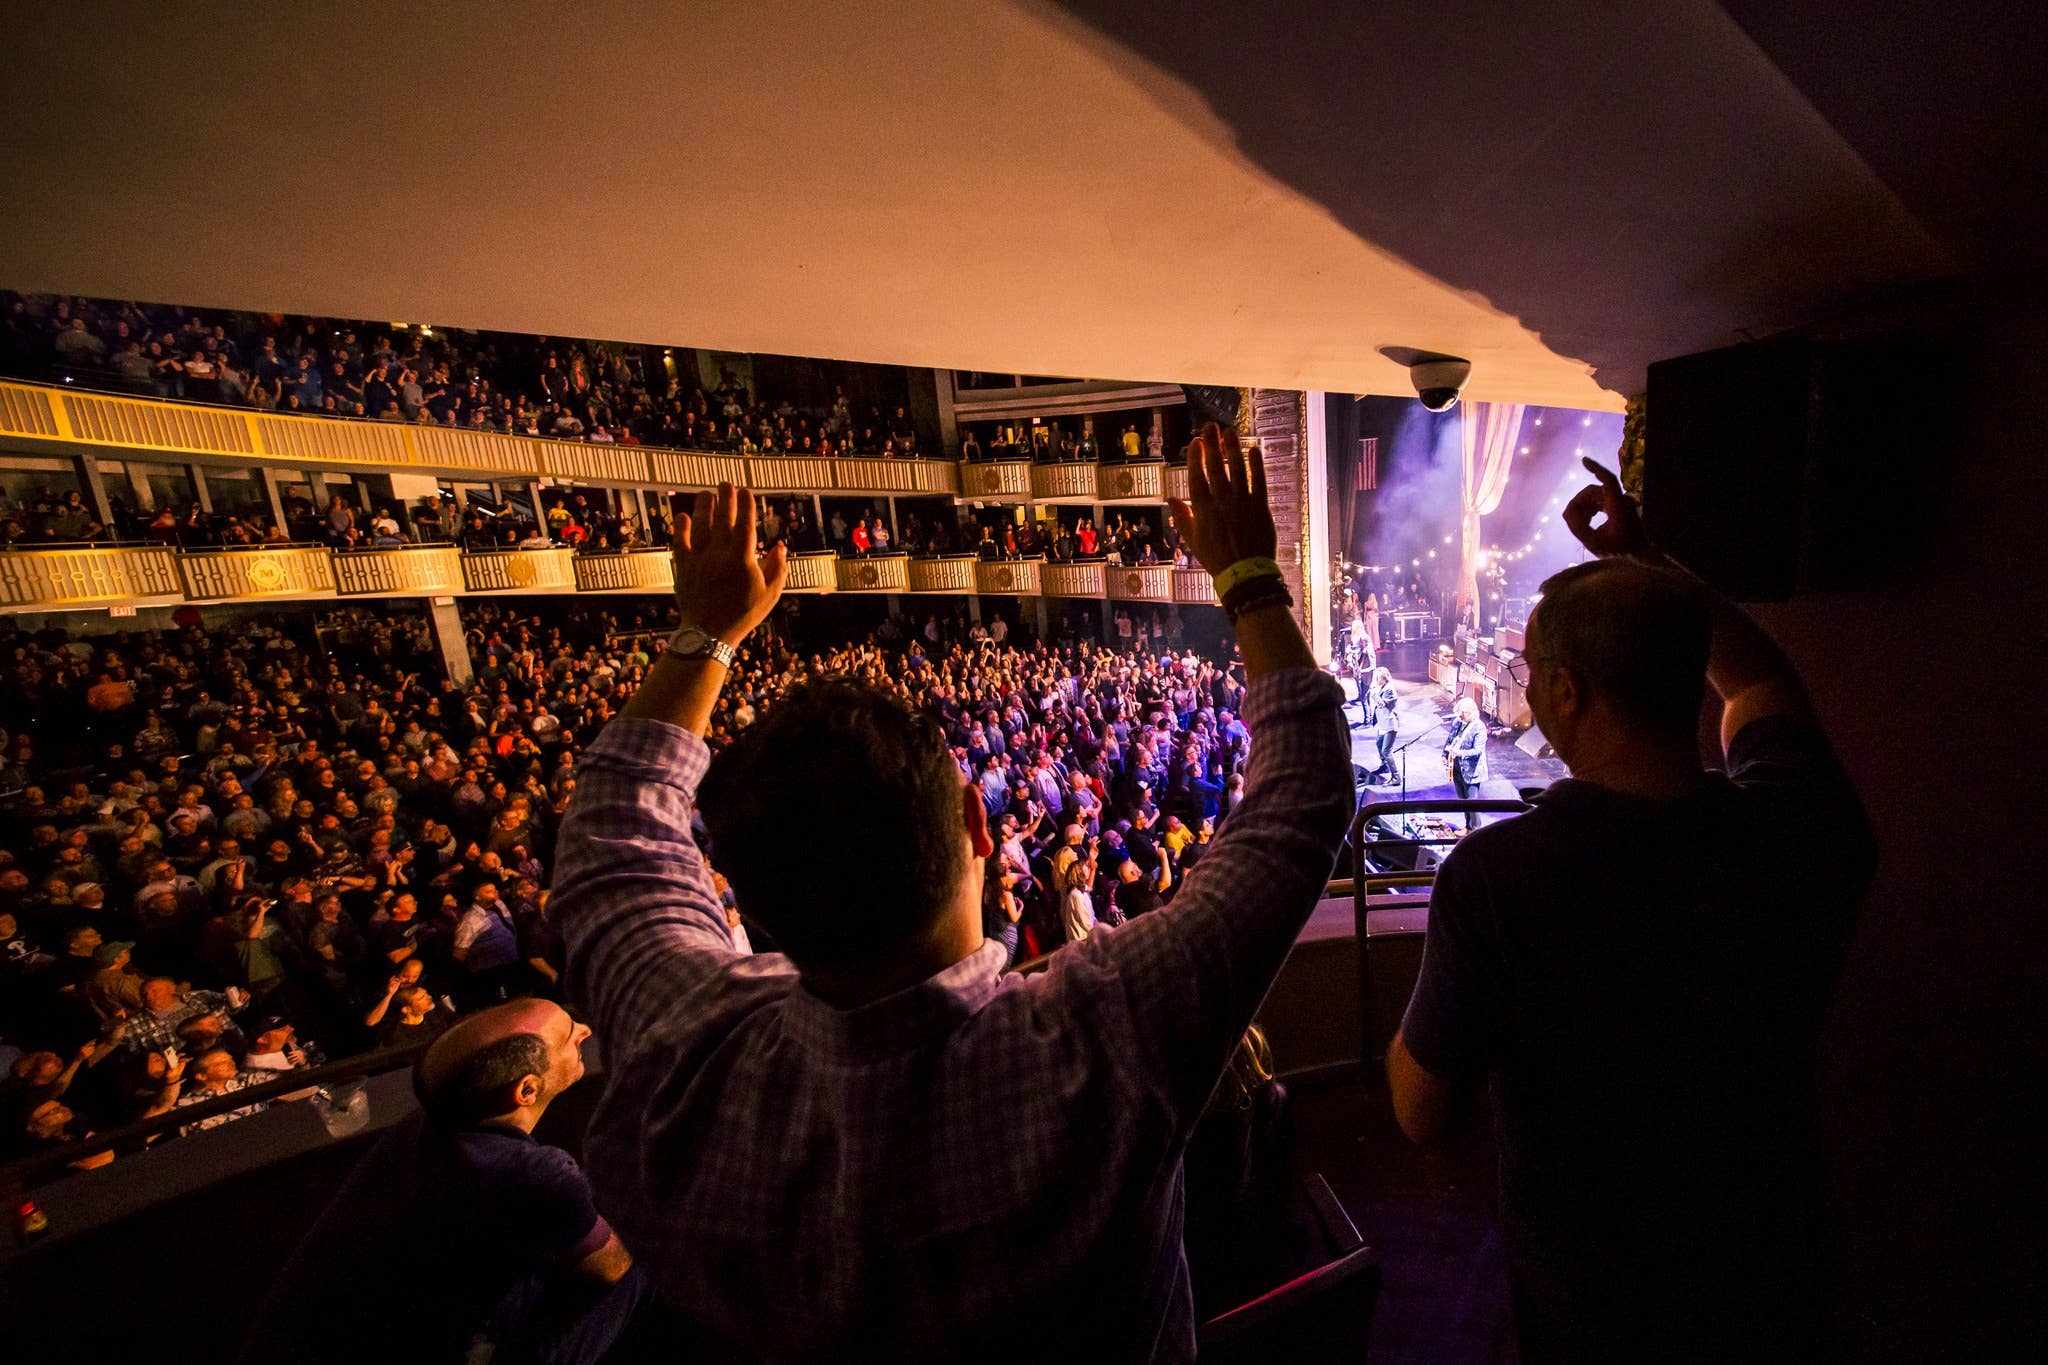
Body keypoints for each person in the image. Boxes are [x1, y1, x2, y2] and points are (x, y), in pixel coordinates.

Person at [552, 425, 1350, 1360]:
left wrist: (704, 637)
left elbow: (613, 824)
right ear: (980, 825)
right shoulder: (1099, 1038)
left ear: (752, 910)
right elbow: (1307, 799)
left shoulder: (686, 1061)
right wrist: (1249, 571)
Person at [1386, 458, 1878, 1362]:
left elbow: (1421, 1109)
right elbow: (1767, 686)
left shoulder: (1496, 880)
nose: (1523, 687)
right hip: (1776, 1273)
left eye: (1534, 671)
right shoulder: (1799, 826)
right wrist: (1654, 567)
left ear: (1567, 693)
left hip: (1594, 1301)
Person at [240, 999, 643, 1365]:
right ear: (526, 1089)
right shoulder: (531, 1172)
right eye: (569, 1034)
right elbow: (611, 1265)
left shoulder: (416, 1131)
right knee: (644, 1254)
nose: (585, 1030)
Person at [1441, 695, 1487, 809]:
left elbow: (1477, 751)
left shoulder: (1479, 727)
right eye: (1459, 712)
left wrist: (1460, 753)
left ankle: (1475, 827)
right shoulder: (1458, 722)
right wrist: (1444, 755)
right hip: (1457, 768)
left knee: (1471, 804)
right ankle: (1468, 826)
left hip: (1471, 771)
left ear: (1472, 713)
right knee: (1462, 802)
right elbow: (1450, 739)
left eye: (1464, 713)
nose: (1461, 715)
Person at [1363, 666, 1400, 787]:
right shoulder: (1382, 687)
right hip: (1382, 723)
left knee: (1386, 750)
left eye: (1377, 677)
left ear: (1383, 678)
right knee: (1379, 744)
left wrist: (1373, 694)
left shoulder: (1390, 689)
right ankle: (1385, 766)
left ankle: (1396, 777)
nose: (1375, 679)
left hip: (1389, 724)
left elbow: (1383, 704)